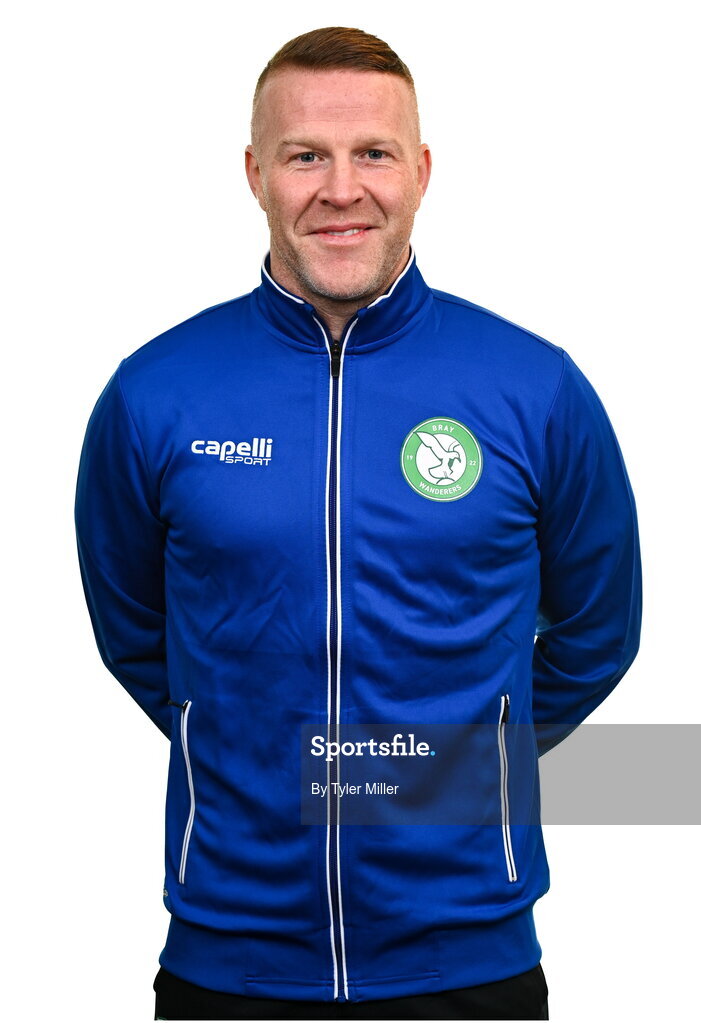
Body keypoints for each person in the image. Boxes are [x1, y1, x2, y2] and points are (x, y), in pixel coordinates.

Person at [74, 25, 642, 1022]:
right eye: (305, 156)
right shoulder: (154, 394)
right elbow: (135, 638)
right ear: (255, 172)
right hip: (227, 968)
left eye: (371, 153)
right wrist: (251, 744)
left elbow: (597, 634)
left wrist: (440, 774)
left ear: (420, 171)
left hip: (468, 969)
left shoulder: (534, 389)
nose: (340, 189)